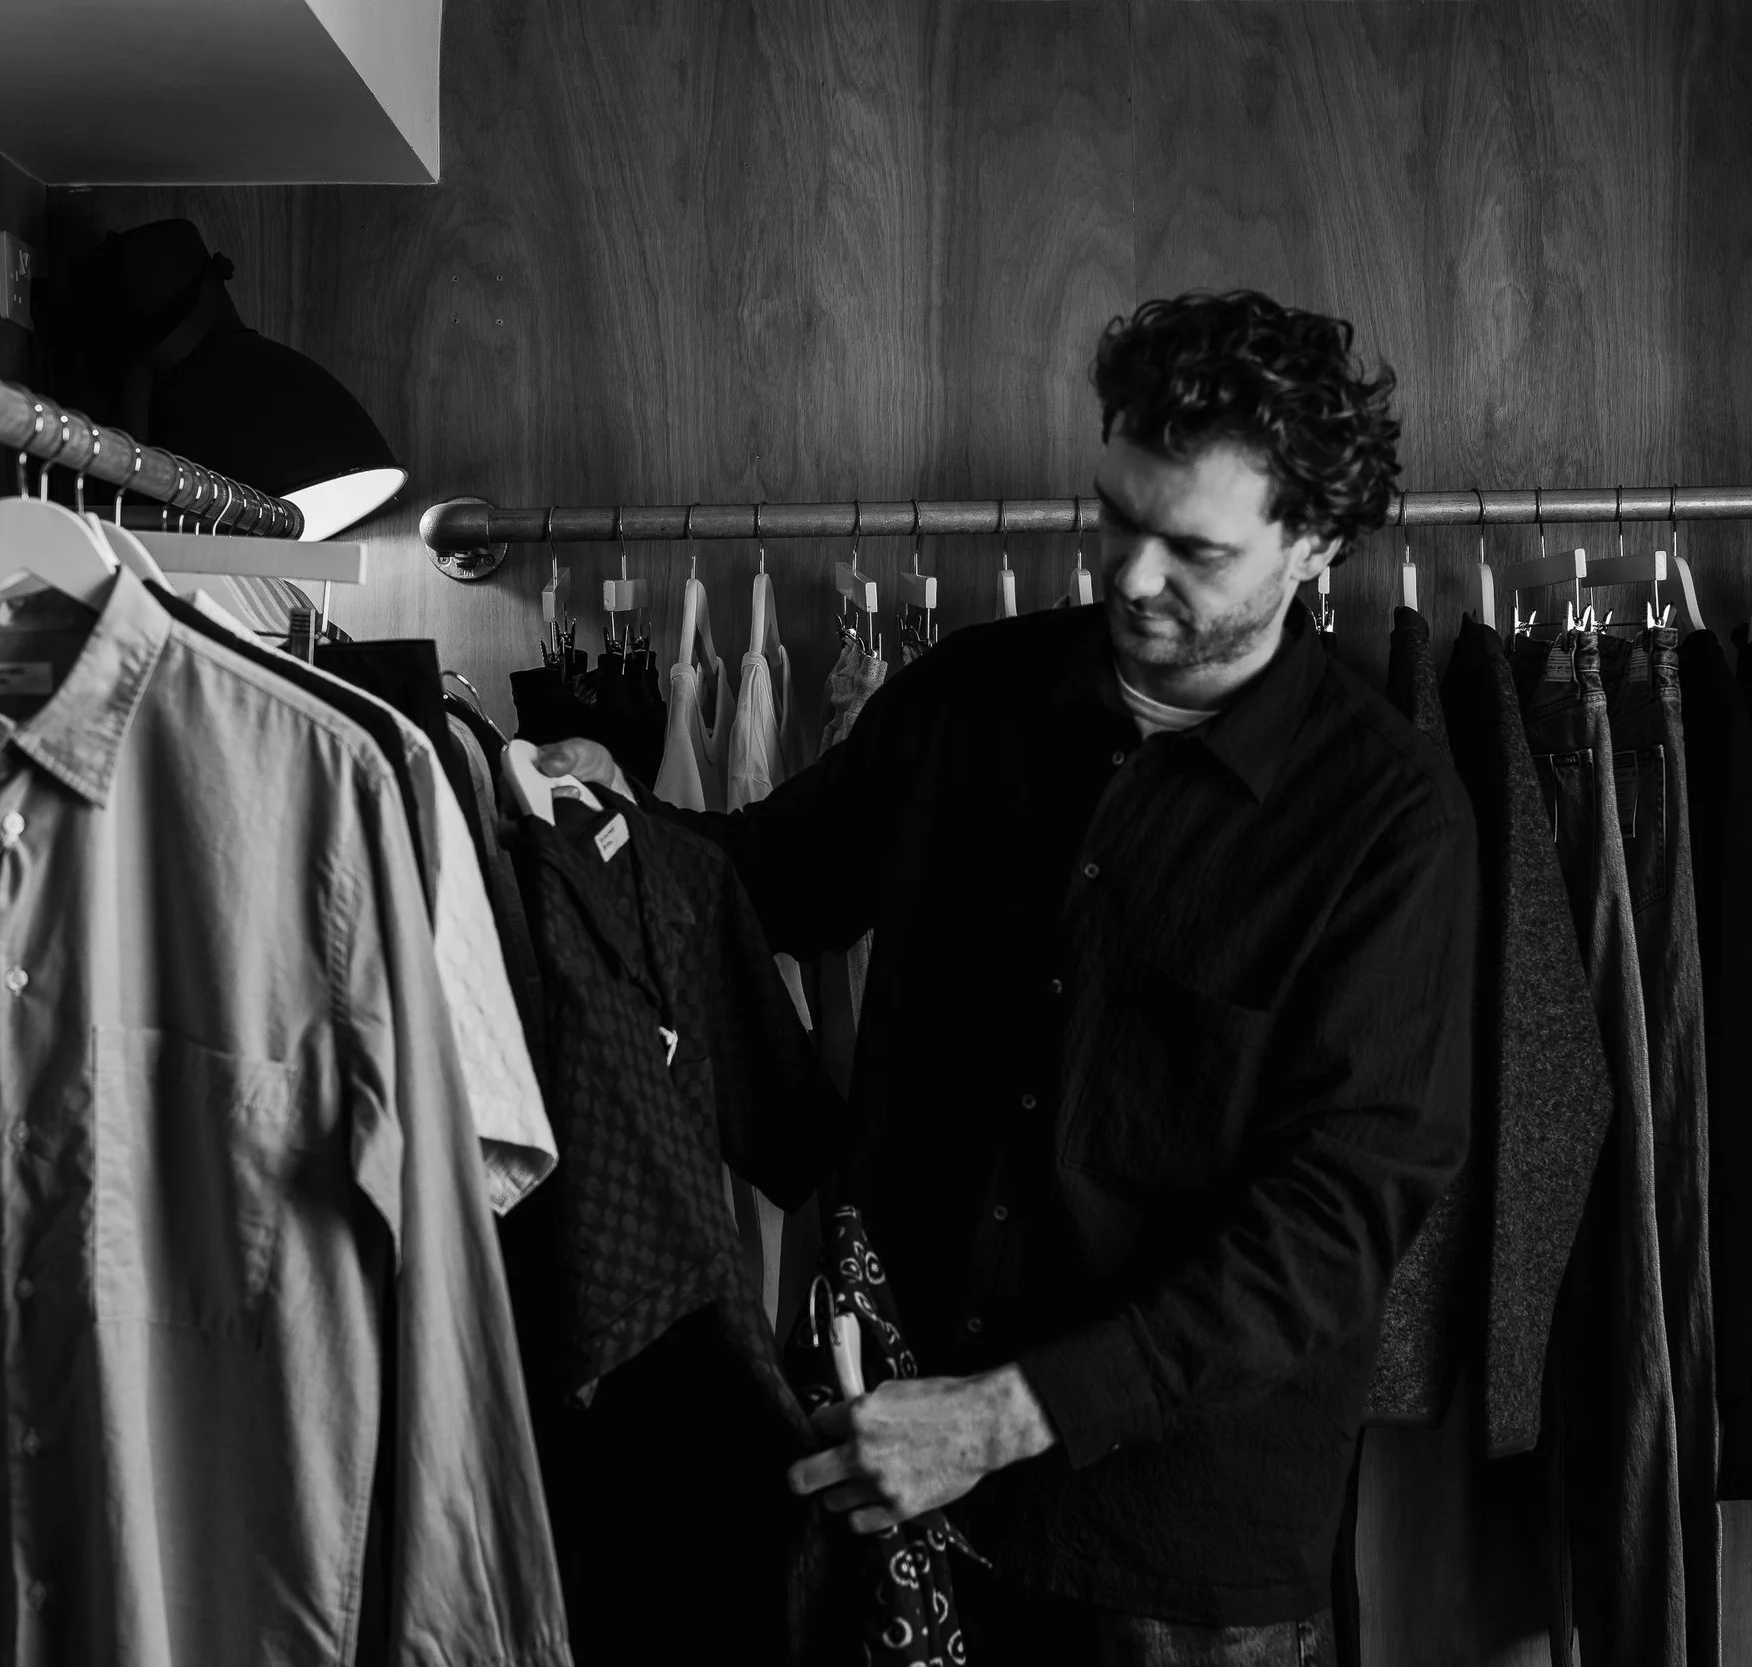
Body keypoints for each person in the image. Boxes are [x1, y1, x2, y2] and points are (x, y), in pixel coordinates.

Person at [540, 289, 1475, 1665]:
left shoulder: (1390, 824)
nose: (1134, 579)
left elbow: (1327, 1239)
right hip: (887, 1489)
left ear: (1313, 545)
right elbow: (758, 883)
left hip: (1171, 1565)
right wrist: (602, 817)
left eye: (1195, 550)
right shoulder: (972, 697)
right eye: (1115, 520)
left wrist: (996, 1416)